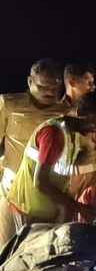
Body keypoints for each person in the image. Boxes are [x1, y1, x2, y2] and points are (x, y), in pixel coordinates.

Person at [0, 96, 96, 243]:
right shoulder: (54, 134)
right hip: (26, 212)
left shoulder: (71, 135)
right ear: (80, 112)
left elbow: (60, 179)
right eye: (94, 122)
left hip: (43, 214)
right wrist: (79, 207)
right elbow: (40, 182)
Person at [0, 59, 71, 194]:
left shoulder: (67, 112)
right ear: (30, 82)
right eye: (43, 87)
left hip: (51, 186)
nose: (50, 92)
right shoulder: (10, 104)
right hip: (13, 183)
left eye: (55, 88)